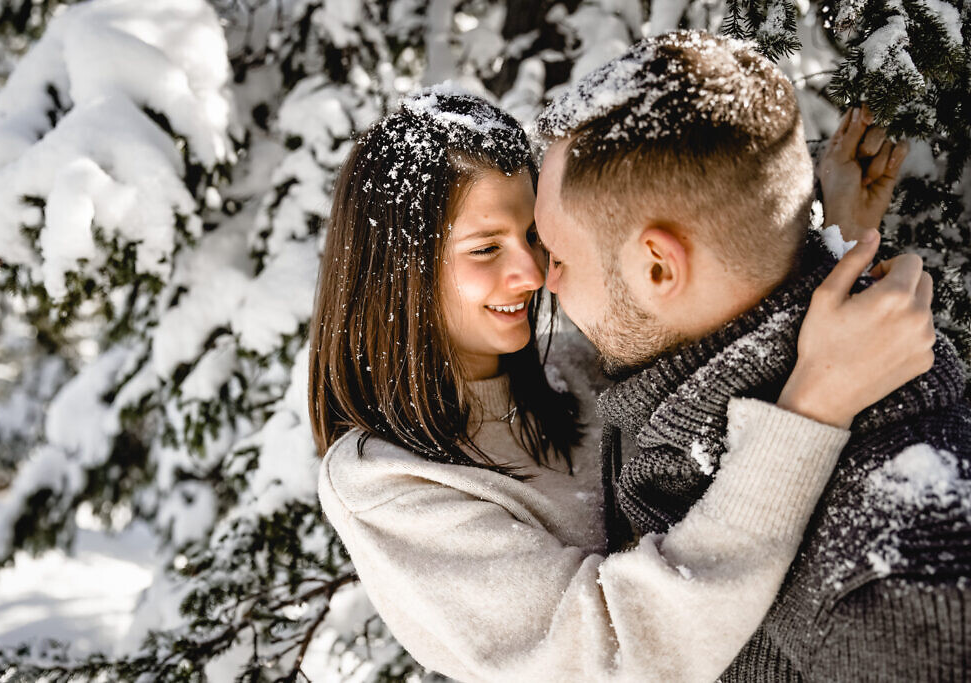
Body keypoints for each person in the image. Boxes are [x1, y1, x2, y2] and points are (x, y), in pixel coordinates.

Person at [310, 86, 933, 682]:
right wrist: (817, 408)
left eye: (532, 236)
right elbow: (622, 651)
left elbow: (720, 335)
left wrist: (838, 237)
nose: (531, 273)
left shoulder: (576, 369)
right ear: (398, 268)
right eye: (485, 249)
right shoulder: (384, 481)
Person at [534, 30, 970, 680]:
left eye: (560, 256)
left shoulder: (898, 571)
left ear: (657, 269)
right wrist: (837, 243)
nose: (546, 279)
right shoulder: (678, 368)